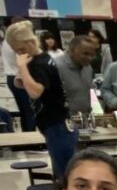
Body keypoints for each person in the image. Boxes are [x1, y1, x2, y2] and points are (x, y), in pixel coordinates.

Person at [6, 20, 76, 179]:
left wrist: (22, 67)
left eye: (21, 50)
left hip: (57, 124)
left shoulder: (40, 63)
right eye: (17, 52)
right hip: (54, 122)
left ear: (31, 42)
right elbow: (44, 87)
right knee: (62, 169)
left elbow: (35, 92)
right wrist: (24, 76)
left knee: (65, 172)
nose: (20, 55)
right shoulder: (43, 58)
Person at [54, 34, 96, 117]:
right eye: (85, 54)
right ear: (71, 51)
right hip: (63, 120)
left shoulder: (88, 67)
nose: (89, 58)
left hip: (85, 119)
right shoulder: (55, 66)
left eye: (92, 55)